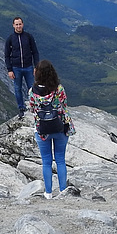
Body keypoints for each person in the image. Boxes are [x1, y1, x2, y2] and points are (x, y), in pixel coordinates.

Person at [29, 60, 74, 199]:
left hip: (42, 130)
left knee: (46, 161)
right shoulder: (59, 89)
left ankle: (48, 192)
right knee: (60, 160)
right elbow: (64, 104)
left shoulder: (33, 91)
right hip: (60, 127)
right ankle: (62, 191)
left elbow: (32, 109)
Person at [5, 17, 40, 118]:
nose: (18, 26)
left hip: (28, 67)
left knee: (32, 88)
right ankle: (21, 108)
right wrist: (9, 70)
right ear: (13, 25)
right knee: (17, 89)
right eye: (16, 24)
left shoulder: (28, 37)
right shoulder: (10, 39)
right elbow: (7, 55)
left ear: (23, 24)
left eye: (20, 24)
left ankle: (34, 106)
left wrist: (36, 66)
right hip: (16, 68)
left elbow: (35, 52)